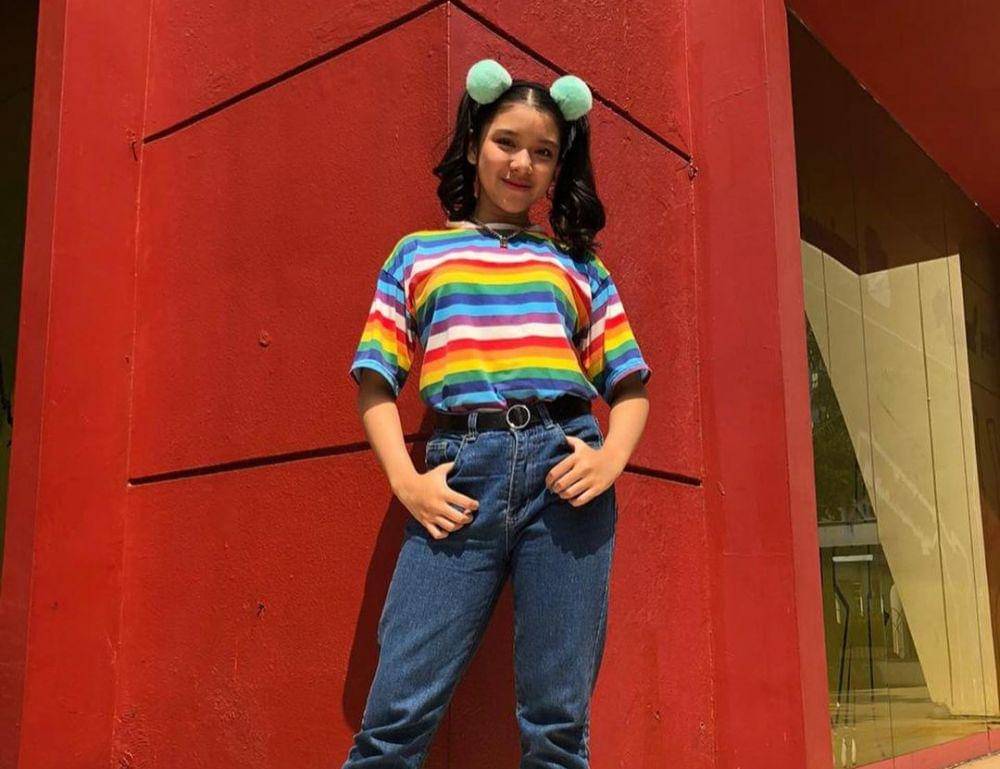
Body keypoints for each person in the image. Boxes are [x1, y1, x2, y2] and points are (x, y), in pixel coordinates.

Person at [342, 58, 652, 769]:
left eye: (543, 152)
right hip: (459, 480)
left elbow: (630, 386)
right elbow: (375, 382)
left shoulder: (578, 265)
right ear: (474, 141)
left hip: (565, 481)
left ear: (557, 169)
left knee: (557, 725)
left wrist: (609, 459)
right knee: (393, 718)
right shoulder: (418, 255)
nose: (522, 164)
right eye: (506, 142)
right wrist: (406, 482)